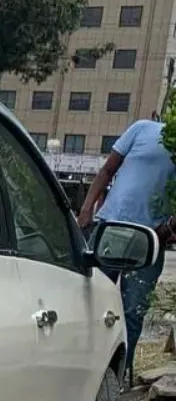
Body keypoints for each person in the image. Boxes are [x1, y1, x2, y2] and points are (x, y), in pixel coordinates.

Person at [77, 114, 175, 385]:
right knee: (90, 298)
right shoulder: (142, 129)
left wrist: (165, 230)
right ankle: (82, 369)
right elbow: (107, 170)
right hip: (111, 226)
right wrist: (86, 210)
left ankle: (117, 378)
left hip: (149, 238)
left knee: (133, 311)